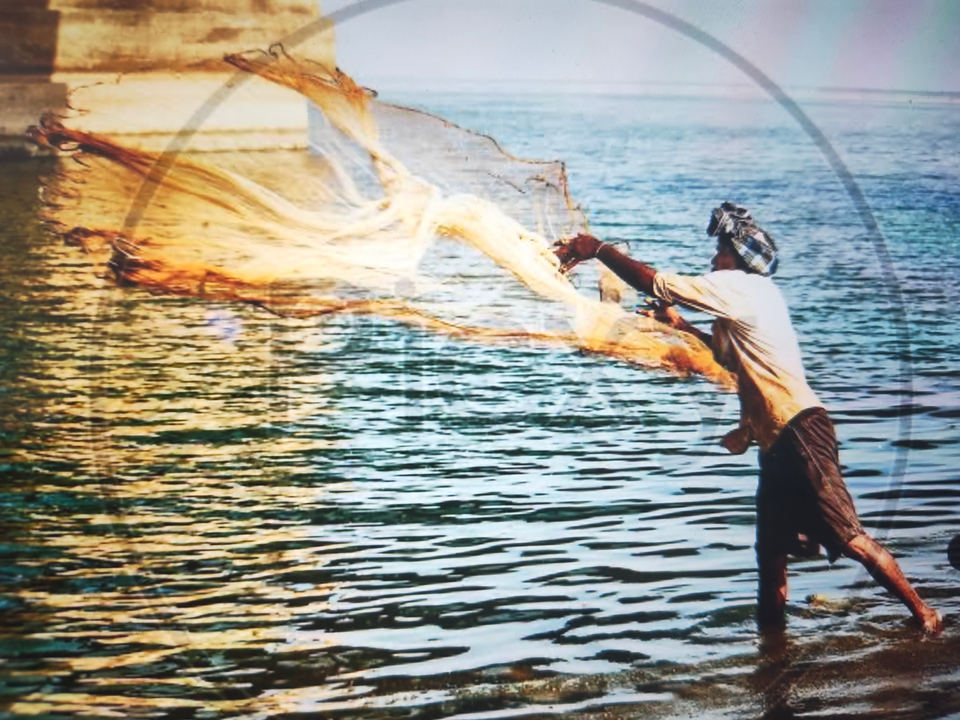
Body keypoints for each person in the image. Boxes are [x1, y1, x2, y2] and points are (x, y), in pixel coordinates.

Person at [554, 202, 943, 635]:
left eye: (720, 250)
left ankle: (924, 615)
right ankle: (772, 650)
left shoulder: (741, 286)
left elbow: (655, 282)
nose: (713, 258)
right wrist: (681, 326)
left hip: (798, 429)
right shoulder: (747, 301)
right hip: (776, 441)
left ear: (736, 257)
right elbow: (730, 360)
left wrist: (597, 249)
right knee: (770, 554)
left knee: (849, 537)